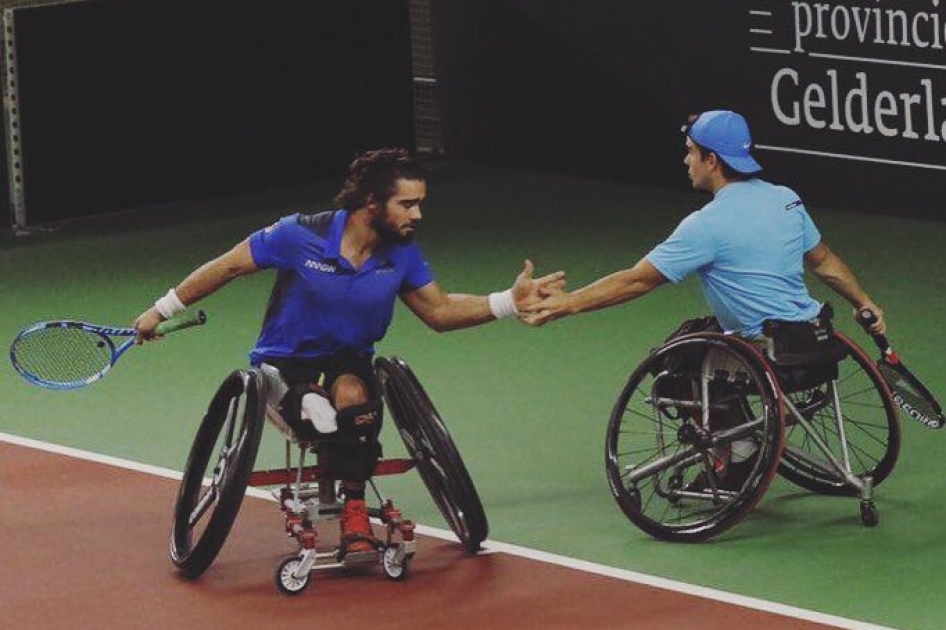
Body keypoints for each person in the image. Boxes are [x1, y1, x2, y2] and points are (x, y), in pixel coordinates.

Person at [135, 147, 563, 553]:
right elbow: (228, 265)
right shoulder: (299, 234)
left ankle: (354, 511)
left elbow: (441, 311)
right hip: (285, 362)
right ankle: (315, 411)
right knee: (316, 406)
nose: (418, 214)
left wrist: (509, 301)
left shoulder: (402, 254)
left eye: (419, 203)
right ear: (372, 202)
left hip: (348, 361)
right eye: (407, 204)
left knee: (354, 399)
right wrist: (161, 310)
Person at [522, 109, 885, 488]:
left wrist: (569, 303)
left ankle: (740, 451)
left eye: (690, 151)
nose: (686, 160)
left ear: (712, 160)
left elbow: (637, 281)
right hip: (813, 341)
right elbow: (823, 260)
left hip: (763, 350)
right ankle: (756, 427)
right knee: (699, 332)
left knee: (672, 371)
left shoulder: (706, 225)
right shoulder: (786, 199)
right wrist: (864, 301)